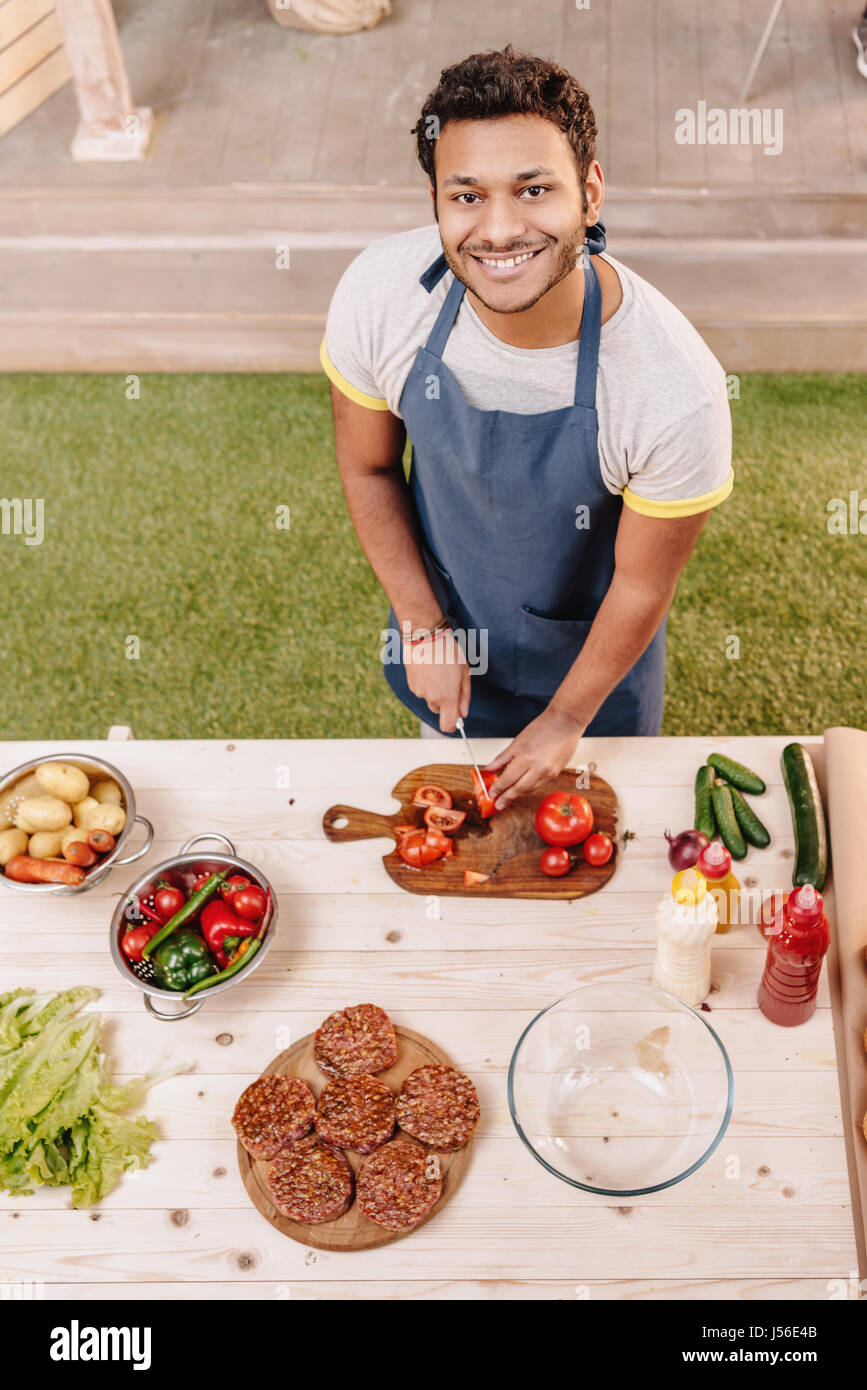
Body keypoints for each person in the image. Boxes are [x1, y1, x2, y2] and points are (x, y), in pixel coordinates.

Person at [322, 46, 733, 809]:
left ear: (590, 192)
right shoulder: (379, 297)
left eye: (534, 190)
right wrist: (422, 627)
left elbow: (643, 583)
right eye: (467, 196)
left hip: (592, 675)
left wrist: (567, 718)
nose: (500, 230)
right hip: (442, 622)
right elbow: (368, 468)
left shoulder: (673, 391)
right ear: (437, 203)